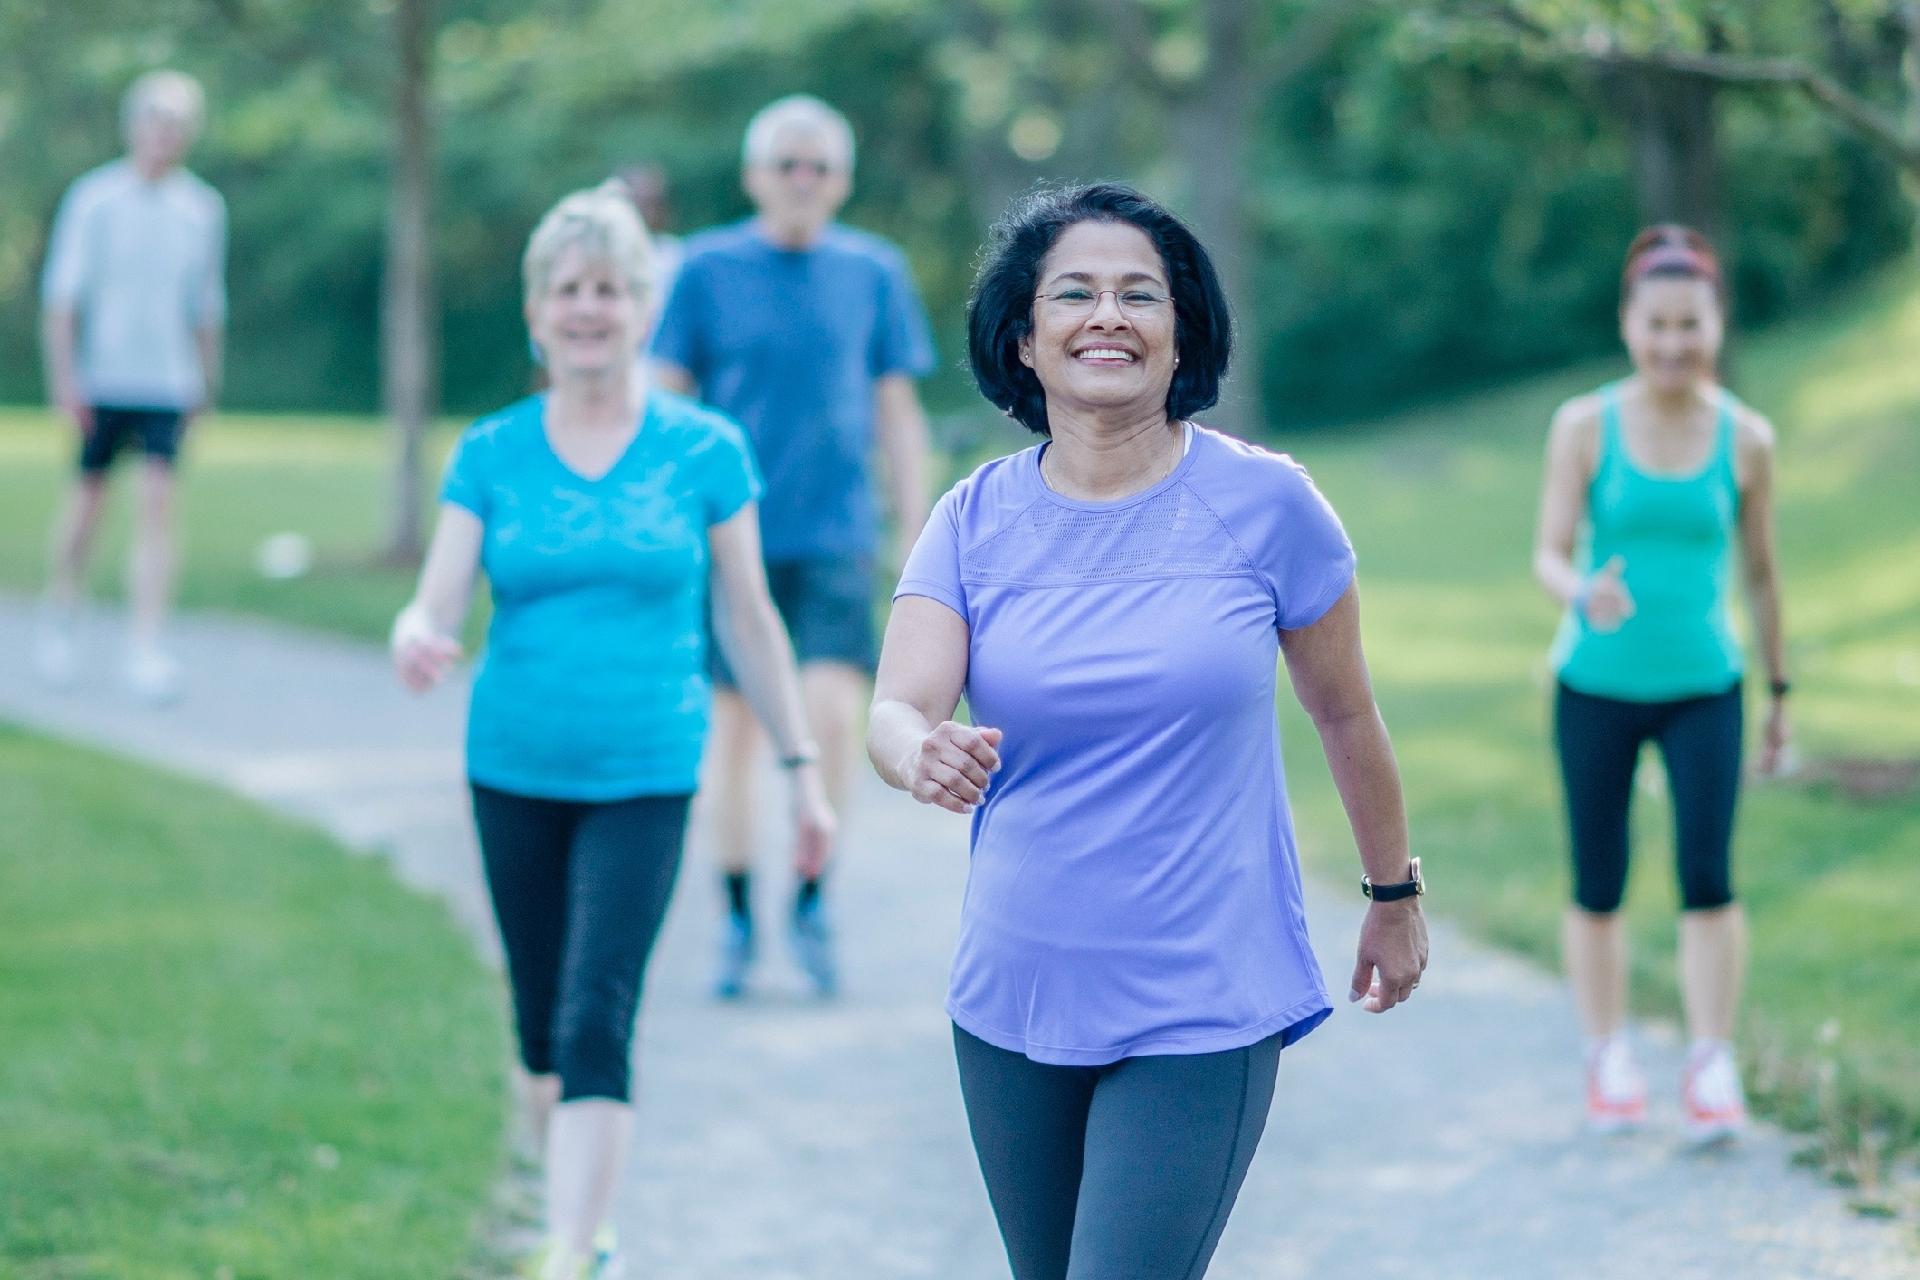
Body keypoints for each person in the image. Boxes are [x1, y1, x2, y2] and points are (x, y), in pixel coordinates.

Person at [867, 182, 1428, 1280]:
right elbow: (896, 707)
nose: (1107, 315)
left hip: (1202, 1000)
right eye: (1072, 292)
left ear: (1184, 335)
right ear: (1025, 340)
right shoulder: (972, 518)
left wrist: (1393, 896)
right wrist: (915, 750)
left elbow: (1345, 710)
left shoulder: (1268, 505)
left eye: (1141, 294)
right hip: (1011, 998)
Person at [391, 187, 833, 1280]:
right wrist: (418, 632)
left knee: (597, 1010)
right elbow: (438, 595)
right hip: (514, 766)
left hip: (645, 766)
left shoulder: (704, 448)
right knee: (541, 1027)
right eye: (568, 289)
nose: (589, 308)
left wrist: (802, 771)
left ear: (644, 307)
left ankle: (576, 1247)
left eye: (611, 289)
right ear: (538, 312)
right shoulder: (492, 452)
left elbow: (748, 614)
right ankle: (575, 1217)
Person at [651, 93, 937, 999]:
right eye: (787, 164)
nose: (803, 180)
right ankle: (737, 914)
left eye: (819, 166)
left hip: (836, 534)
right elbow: (665, 400)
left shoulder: (873, 272)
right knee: (734, 732)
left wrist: (919, 531)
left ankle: (811, 892)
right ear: (755, 177)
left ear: (842, 180)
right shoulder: (703, 269)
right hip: (730, 540)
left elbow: (897, 409)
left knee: (828, 719)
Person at [1532, 225, 1789, 1142]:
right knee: (1598, 877)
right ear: (1628, 324)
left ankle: (1710, 1061)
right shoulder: (1584, 425)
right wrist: (1581, 592)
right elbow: (1549, 553)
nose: (1674, 343)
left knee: (1707, 876)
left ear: (1715, 325)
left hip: (1705, 686)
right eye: (1657, 324)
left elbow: (1761, 575)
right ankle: (1607, 1055)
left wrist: (1780, 690)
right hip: (1595, 684)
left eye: (1692, 324)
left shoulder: (1746, 438)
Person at [35, 69, 226, 704]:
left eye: (176, 124)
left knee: (157, 510)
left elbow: (205, 305)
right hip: (103, 379)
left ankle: (145, 644)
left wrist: (206, 382)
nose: (164, 135)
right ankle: (62, 615)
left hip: (167, 382)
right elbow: (63, 299)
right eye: (155, 120)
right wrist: (66, 381)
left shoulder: (201, 208)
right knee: (87, 505)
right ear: (133, 125)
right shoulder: (94, 199)